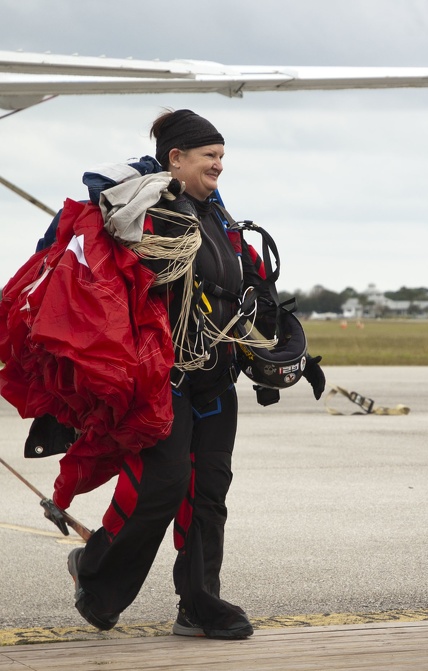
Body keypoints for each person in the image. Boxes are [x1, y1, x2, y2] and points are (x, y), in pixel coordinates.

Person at [54, 109, 324, 640]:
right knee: (163, 482)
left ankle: (199, 603)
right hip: (167, 380)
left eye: (222, 156)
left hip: (216, 381)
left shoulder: (219, 220)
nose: (219, 165)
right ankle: (96, 574)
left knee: (209, 491)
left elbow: (249, 293)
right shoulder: (146, 216)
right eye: (210, 156)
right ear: (174, 158)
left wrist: (278, 347)